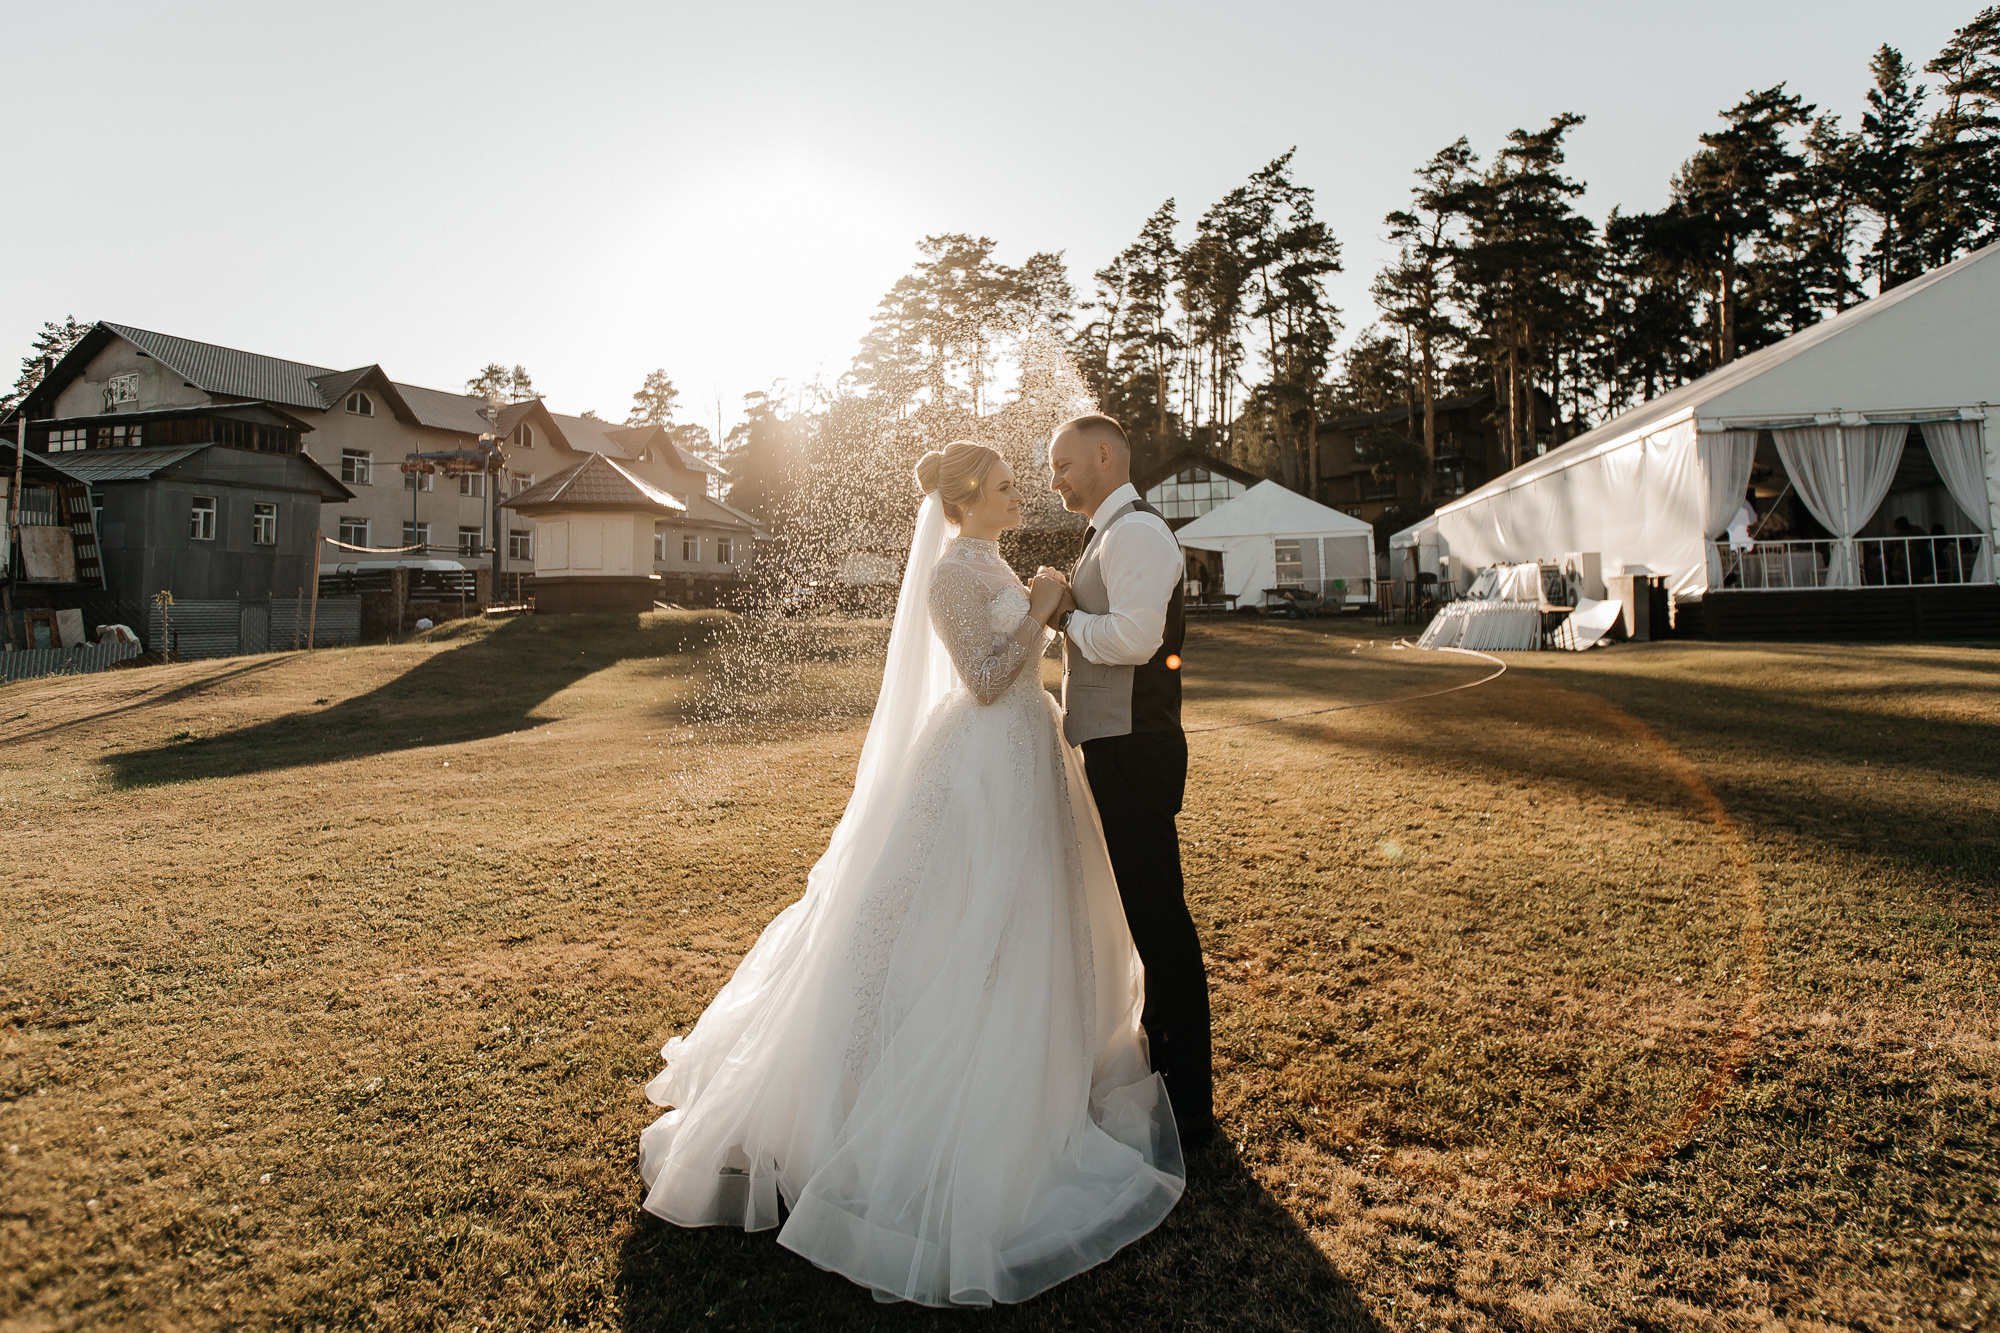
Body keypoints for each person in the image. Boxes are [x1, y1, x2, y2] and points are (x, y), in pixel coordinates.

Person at [638, 440, 1183, 1308]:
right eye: (1006, 485)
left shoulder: (994, 561)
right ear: (967, 500)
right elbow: (985, 679)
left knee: (1027, 919)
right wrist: (1042, 612)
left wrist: (1042, 604)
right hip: (980, 759)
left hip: (1027, 755)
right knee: (958, 916)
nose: (1023, 494)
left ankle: (1038, 1073)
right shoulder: (949, 574)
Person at [1041, 413, 1216, 1151]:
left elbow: (1137, 639)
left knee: (1160, 920)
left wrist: (1065, 618)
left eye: (1064, 464)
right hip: (1116, 747)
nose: (1056, 480)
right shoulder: (1109, 534)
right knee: (1146, 916)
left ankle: (1190, 1101)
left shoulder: (1137, 532)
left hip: (1137, 751)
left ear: (1105, 455)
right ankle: (1164, 1071)